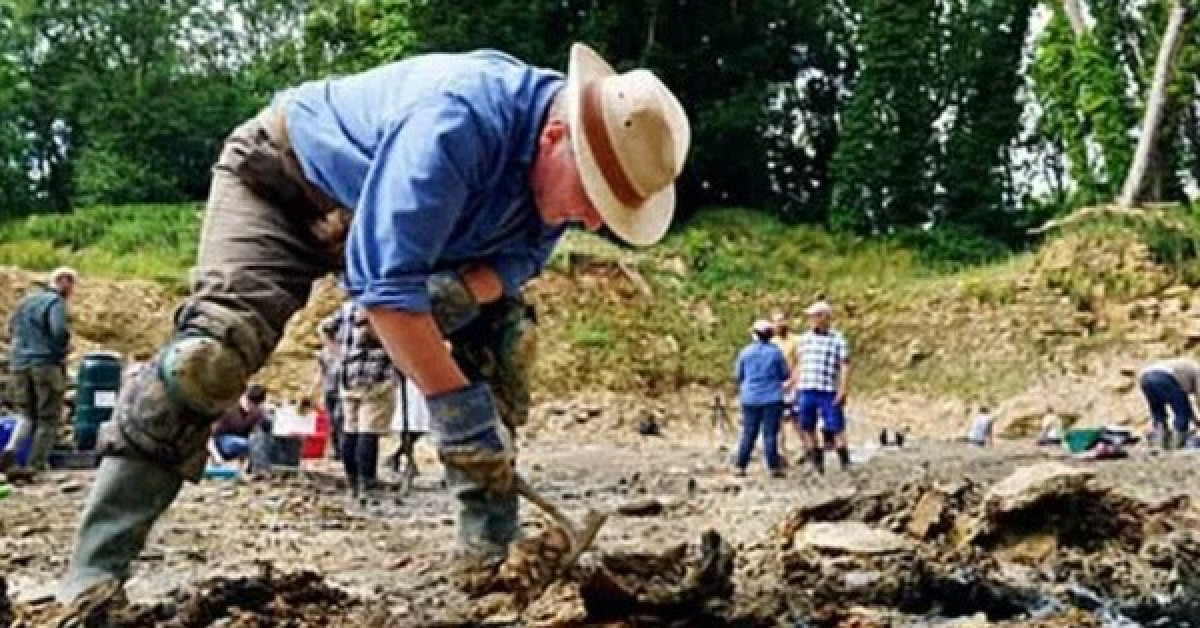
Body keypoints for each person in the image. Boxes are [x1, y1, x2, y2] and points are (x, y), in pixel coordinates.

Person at [58, 42, 689, 605]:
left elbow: (515, 261)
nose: (595, 221)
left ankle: (489, 562)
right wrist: (457, 408)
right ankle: (92, 576)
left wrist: (454, 297)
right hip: (287, 188)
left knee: (506, 340)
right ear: (556, 135)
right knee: (208, 361)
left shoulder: (568, 170)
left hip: (418, 237)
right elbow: (385, 291)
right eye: (595, 197)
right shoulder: (460, 118)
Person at [1, 267, 77, 480]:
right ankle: (36, 466)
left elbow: (10, 331)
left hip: (19, 365)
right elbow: (58, 331)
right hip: (45, 365)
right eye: (71, 284)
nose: (72, 290)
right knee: (48, 418)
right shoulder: (54, 303)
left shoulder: (25, 302)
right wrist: (62, 349)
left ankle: (11, 452)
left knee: (25, 415)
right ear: (64, 282)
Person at [325, 301, 396, 506]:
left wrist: (338, 355)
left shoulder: (348, 308)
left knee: (351, 430)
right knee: (368, 433)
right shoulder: (384, 305)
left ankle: (352, 482)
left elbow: (325, 327)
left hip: (349, 377)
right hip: (376, 377)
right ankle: (367, 485)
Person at [791, 300, 851, 473]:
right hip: (807, 387)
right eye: (810, 316)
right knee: (807, 425)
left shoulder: (837, 339)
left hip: (828, 389)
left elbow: (845, 364)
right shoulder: (804, 339)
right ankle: (816, 463)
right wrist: (794, 385)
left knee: (836, 426)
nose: (811, 319)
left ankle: (845, 463)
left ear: (825, 317)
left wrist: (843, 388)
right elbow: (800, 363)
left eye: (815, 316)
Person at [732, 319, 789, 478]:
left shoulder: (745, 352)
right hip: (772, 397)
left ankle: (740, 466)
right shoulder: (775, 352)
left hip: (750, 397)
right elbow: (785, 374)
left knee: (749, 432)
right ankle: (773, 467)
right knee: (770, 433)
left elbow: (738, 375)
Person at [1138, 357, 1200, 449]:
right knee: (1182, 413)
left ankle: (1160, 445)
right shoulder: (1197, 370)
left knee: (1158, 413)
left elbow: (1186, 403)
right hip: (1164, 377)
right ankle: (1177, 444)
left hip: (1145, 378)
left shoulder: (1187, 369)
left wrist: (1195, 420)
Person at [208, 384, 269, 462]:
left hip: (243, 443)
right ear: (244, 396)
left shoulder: (259, 412)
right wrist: (216, 456)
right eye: (248, 400)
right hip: (221, 442)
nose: (249, 405)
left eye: (254, 404)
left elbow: (263, 430)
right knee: (246, 443)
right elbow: (210, 436)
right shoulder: (229, 408)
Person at [770, 310, 800, 465]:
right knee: (778, 420)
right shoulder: (771, 343)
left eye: (782, 320)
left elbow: (799, 362)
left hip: (793, 383)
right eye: (776, 321)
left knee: (797, 418)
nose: (779, 324)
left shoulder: (796, 341)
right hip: (776, 385)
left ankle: (805, 448)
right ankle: (781, 452)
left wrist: (793, 380)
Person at [310, 324, 343, 460]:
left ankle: (342, 449)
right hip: (329, 389)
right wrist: (314, 389)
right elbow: (321, 373)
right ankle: (336, 450)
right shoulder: (323, 353)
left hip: (341, 389)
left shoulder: (342, 350)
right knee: (331, 421)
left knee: (340, 419)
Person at [390, 375, 432, 479]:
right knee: (408, 424)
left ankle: (397, 455)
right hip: (409, 382)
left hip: (426, 379)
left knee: (423, 425)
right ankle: (409, 462)